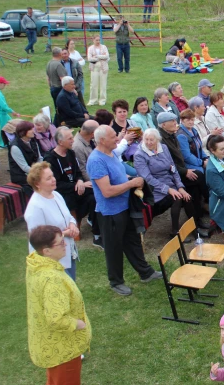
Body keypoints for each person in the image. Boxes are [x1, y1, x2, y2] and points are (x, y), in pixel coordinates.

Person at [87, 125, 162, 296]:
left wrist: (131, 178)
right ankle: (116, 282)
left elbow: (118, 176)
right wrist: (131, 184)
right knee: (113, 247)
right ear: (102, 141)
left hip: (125, 206)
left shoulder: (111, 153)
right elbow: (107, 191)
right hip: (110, 212)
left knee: (132, 240)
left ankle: (146, 272)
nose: (118, 139)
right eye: (114, 136)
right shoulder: (96, 161)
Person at [25, 225, 91, 384]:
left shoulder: (36, 264)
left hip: (49, 345)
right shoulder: (52, 279)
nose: (66, 245)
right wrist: (79, 324)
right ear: (46, 251)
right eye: (60, 243)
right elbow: (56, 319)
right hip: (62, 349)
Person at [134, 127, 205, 237]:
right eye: (146, 139)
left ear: (157, 140)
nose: (148, 142)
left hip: (170, 183)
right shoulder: (139, 155)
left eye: (151, 140)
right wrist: (168, 189)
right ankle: (175, 232)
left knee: (187, 195)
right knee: (178, 197)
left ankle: (195, 228)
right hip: (154, 189)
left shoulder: (163, 148)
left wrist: (180, 187)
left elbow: (173, 169)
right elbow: (147, 178)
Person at [44, 127, 101, 247]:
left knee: (97, 194)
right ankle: (83, 225)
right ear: (60, 142)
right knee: (89, 200)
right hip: (63, 194)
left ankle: (97, 232)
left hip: (77, 188)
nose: (73, 141)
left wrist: (80, 181)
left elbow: (78, 173)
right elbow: (56, 185)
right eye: (70, 138)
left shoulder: (71, 153)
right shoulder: (51, 159)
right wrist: (77, 185)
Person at [24, 162, 80, 280]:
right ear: (37, 184)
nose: (54, 180)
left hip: (66, 252)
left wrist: (72, 225)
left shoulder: (56, 195)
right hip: (51, 260)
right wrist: (65, 233)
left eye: (53, 176)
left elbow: (68, 216)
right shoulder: (35, 207)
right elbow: (38, 239)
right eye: (48, 178)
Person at [158, 112, 209, 236]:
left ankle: (197, 221)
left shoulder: (171, 135)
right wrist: (184, 171)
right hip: (169, 176)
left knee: (194, 188)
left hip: (178, 171)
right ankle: (208, 200)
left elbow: (179, 158)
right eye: (173, 121)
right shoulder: (161, 139)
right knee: (198, 178)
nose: (176, 123)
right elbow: (168, 163)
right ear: (164, 124)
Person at [8, 120, 42, 196]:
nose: (33, 131)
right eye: (30, 129)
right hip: (20, 175)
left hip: (34, 170)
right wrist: (39, 173)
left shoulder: (33, 141)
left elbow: (39, 158)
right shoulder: (15, 147)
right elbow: (24, 167)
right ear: (23, 132)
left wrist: (42, 169)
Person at [176, 109, 208, 174]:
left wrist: (205, 158)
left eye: (192, 120)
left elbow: (200, 148)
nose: (191, 122)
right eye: (188, 120)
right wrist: (202, 163)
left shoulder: (194, 130)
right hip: (188, 164)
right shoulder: (181, 135)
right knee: (201, 172)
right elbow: (187, 156)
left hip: (198, 160)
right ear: (182, 121)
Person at [0, 76, 20, 148]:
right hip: (1, 114)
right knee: (4, 128)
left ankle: (9, 140)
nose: (5, 85)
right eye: (4, 84)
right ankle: (2, 144)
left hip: (2, 113)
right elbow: (3, 106)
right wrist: (12, 111)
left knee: (10, 124)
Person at [87, 36, 110, 106]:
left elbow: (107, 56)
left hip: (103, 68)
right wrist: (100, 57)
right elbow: (90, 59)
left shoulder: (104, 47)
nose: (98, 42)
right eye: (96, 40)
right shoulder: (90, 48)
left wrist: (97, 56)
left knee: (103, 84)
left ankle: (102, 100)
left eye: (99, 40)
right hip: (94, 68)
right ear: (93, 40)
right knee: (93, 84)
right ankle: (93, 100)